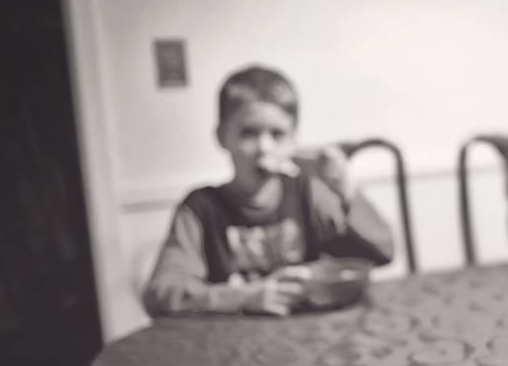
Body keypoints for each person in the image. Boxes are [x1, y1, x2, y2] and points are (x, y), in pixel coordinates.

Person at [143, 65, 394, 317]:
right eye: (248, 133)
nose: (264, 147)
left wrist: (346, 193)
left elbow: (383, 253)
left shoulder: (307, 191)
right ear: (221, 136)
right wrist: (243, 297)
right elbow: (161, 294)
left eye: (277, 134)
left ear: (293, 141)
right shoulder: (200, 208)